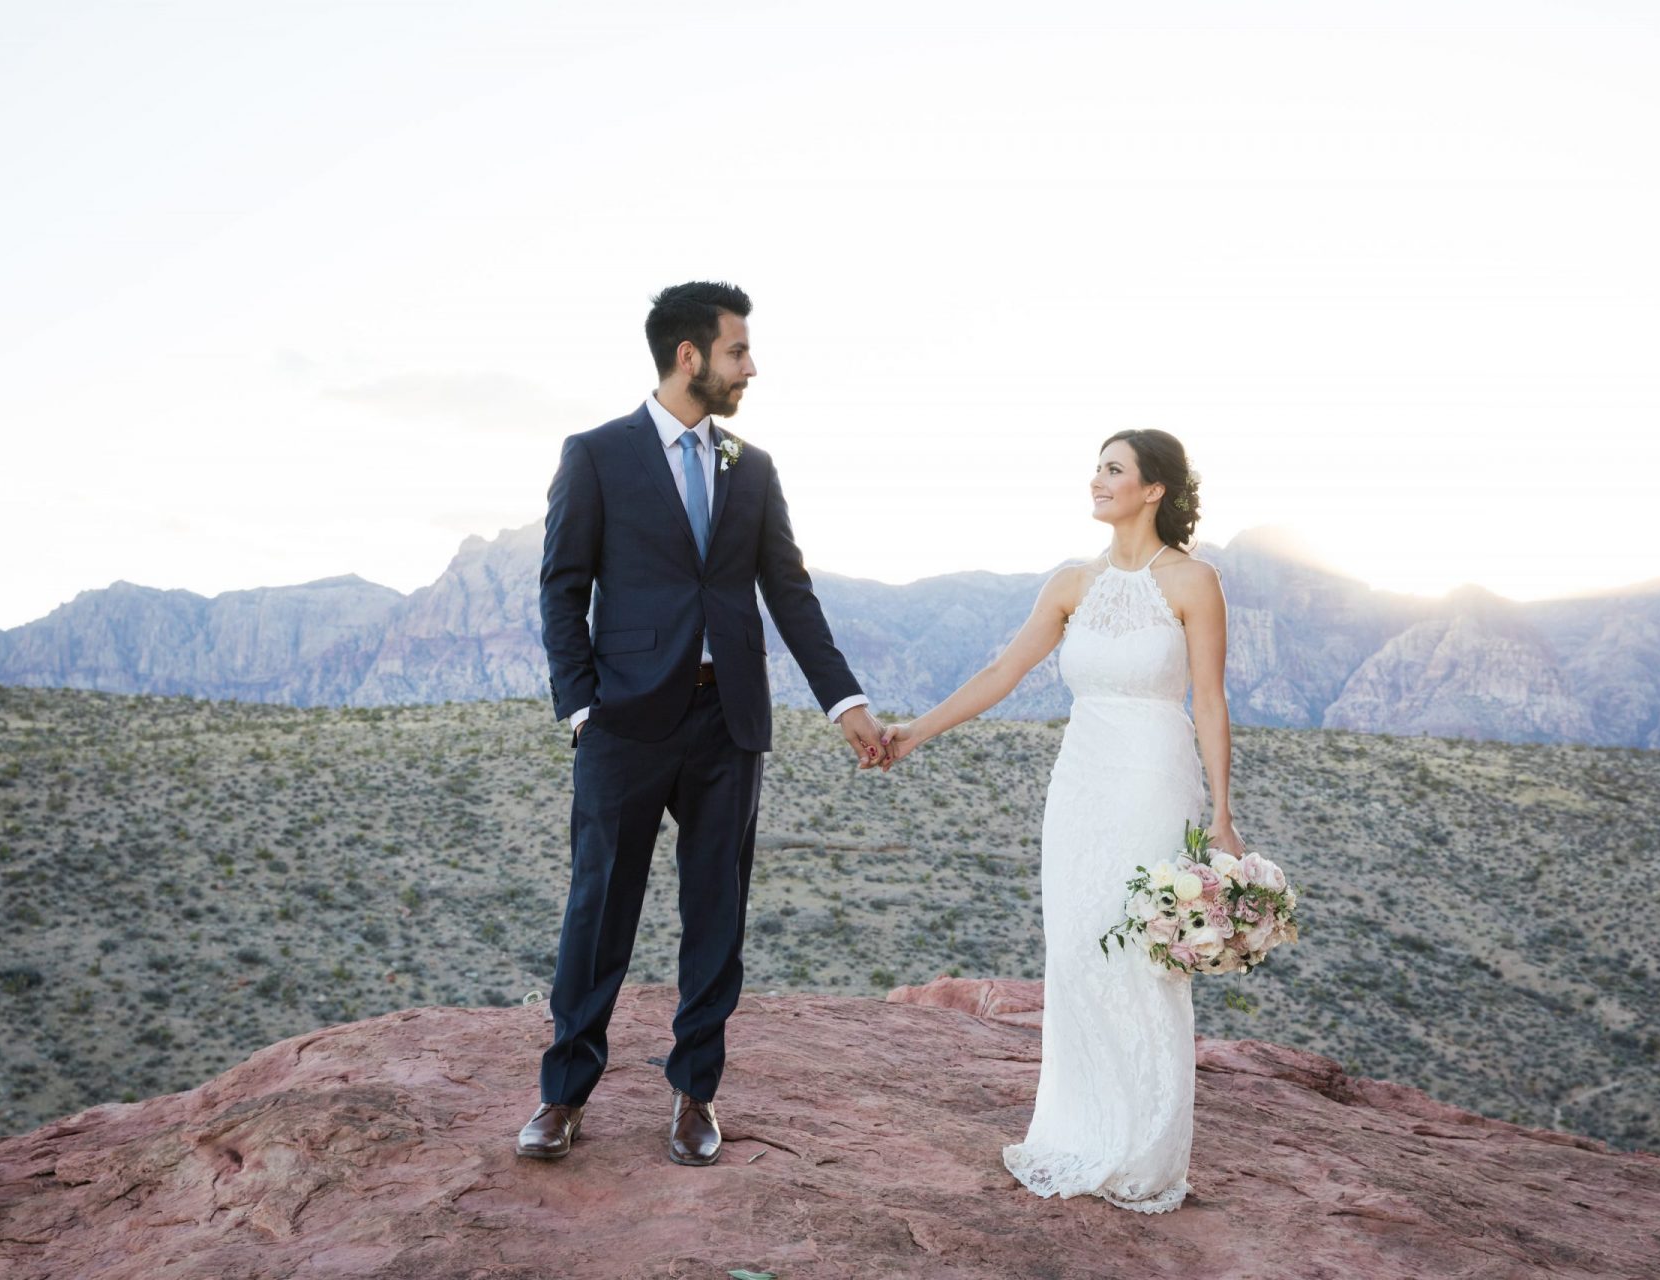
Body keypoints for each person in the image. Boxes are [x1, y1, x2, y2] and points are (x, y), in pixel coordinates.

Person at [519, 280, 888, 1165]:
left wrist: (846, 703)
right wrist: (579, 706)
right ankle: (563, 1096)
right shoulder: (597, 454)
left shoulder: (750, 468)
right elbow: (563, 588)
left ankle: (694, 1097)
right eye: (737, 352)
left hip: (730, 722)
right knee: (598, 910)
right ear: (689, 357)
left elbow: (789, 594)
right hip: (625, 722)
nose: (749, 368)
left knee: (716, 914)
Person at [879, 428, 1245, 1212]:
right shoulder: (1070, 583)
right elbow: (1002, 673)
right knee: (1078, 949)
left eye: (1114, 469)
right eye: (1098, 467)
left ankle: (1145, 1149)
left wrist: (1222, 814)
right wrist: (915, 732)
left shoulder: (1193, 580)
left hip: (1154, 778)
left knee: (1145, 953)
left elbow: (1209, 701)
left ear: (1154, 490)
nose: (1097, 480)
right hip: (1080, 784)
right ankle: (1080, 1130)